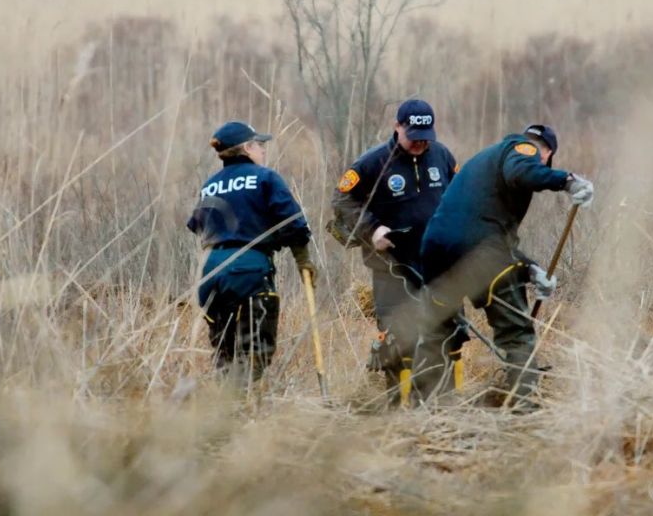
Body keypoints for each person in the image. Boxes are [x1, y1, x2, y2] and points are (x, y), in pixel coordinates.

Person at [413, 124, 594, 410]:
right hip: (480, 254)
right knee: (516, 333)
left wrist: (531, 270)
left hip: (436, 253)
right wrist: (568, 181)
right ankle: (522, 408)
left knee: (438, 333)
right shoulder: (523, 149)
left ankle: (432, 409)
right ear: (546, 153)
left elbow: (481, 230)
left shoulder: (483, 162)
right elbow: (520, 173)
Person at [329, 98, 458, 405]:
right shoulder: (373, 163)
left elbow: (458, 195)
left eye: (425, 136)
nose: (419, 144)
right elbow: (342, 201)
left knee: (444, 334)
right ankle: (395, 410)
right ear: (397, 127)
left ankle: (442, 408)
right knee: (398, 336)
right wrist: (372, 230)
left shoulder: (441, 155)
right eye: (412, 136)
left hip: (436, 264)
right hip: (392, 267)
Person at [186, 121, 317, 386]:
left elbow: (196, 225)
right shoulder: (265, 177)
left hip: (209, 272)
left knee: (225, 350)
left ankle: (227, 408)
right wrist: (303, 260)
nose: (263, 150)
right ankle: (248, 408)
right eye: (259, 145)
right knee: (255, 349)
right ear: (246, 148)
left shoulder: (209, 185)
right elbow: (293, 223)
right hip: (249, 271)